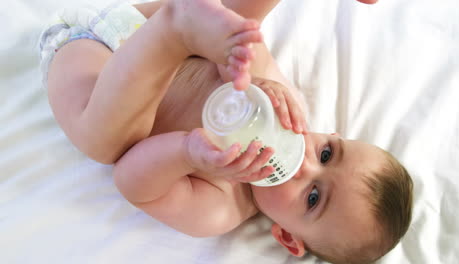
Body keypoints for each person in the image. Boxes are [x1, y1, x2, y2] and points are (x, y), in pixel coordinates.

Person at [39, 0, 413, 263]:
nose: (304, 165)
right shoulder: (288, 115)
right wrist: (254, 81)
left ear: (287, 236)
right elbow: (238, 53)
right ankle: (179, 29)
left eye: (313, 197)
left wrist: (187, 152)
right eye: (327, 154)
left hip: (90, 60)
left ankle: (175, 30)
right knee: (240, 40)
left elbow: (131, 180)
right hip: (138, 23)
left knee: (105, 144)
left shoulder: (221, 207)